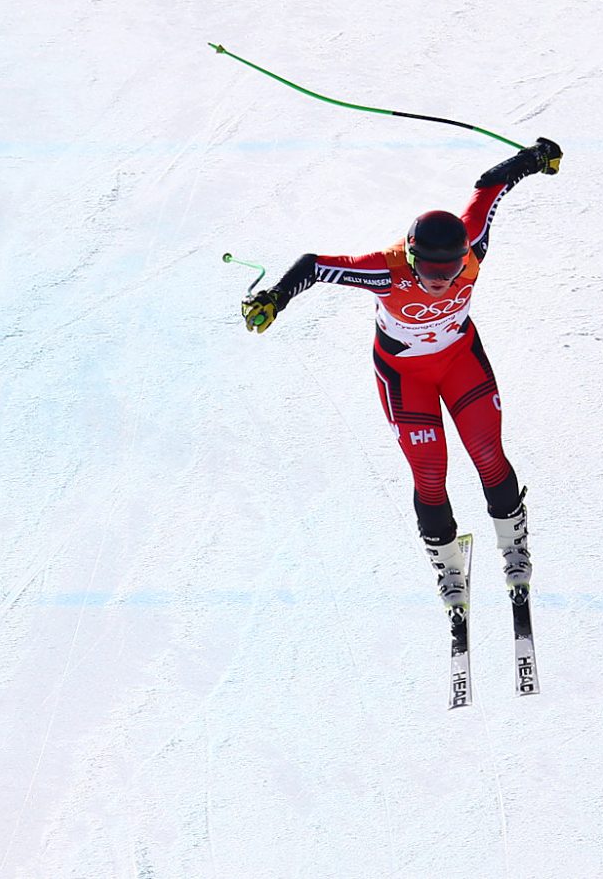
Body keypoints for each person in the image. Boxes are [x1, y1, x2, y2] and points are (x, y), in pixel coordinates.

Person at [241, 137, 563, 622]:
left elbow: (490, 186)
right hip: (405, 377)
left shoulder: (473, 246)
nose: (441, 280)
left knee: (488, 454)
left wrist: (534, 158)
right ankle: (449, 569)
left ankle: (513, 548)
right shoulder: (386, 270)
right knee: (430, 474)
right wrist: (275, 297)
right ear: (412, 258)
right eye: (430, 269)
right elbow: (316, 266)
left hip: (460, 362)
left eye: (451, 269)